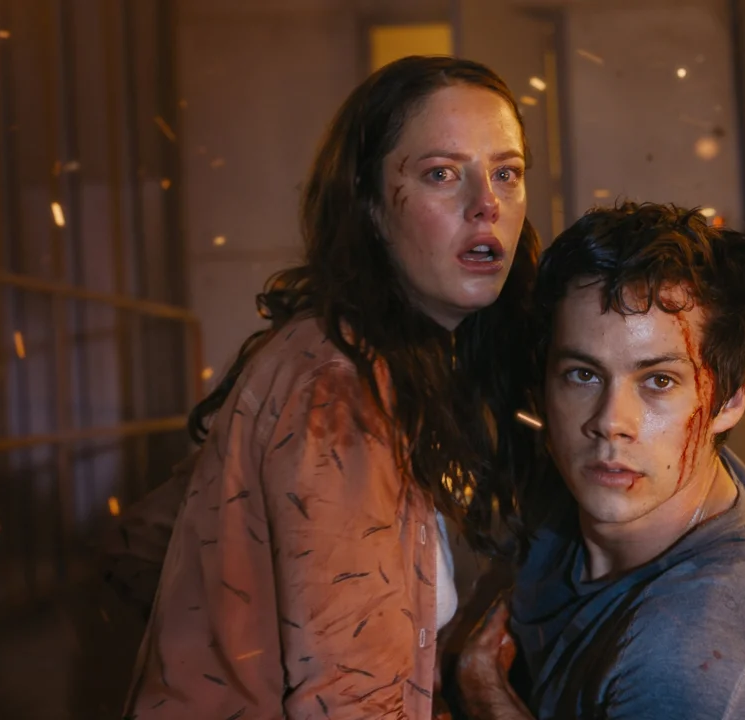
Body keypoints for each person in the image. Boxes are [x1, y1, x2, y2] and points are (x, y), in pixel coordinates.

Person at [122, 55, 540, 719]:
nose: (486, 203)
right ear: (369, 205)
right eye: (441, 173)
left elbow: (146, 538)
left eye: (506, 172)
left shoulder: (405, 359)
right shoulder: (340, 388)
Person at [455, 203, 745, 719]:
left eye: (658, 381)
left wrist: (482, 691)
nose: (610, 422)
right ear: (542, 386)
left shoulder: (685, 670)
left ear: (729, 401)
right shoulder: (614, 482)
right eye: (583, 374)